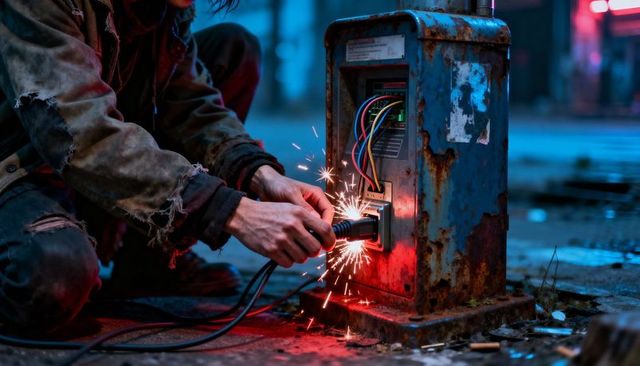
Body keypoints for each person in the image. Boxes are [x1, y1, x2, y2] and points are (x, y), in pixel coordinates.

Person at [0, 0, 336, 331]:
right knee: (53, 281)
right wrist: (230, 211)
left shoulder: (168, 9)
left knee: (233, 46)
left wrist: (261, 175)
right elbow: (78, 131)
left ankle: (150, 262)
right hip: (24, 168)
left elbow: (192, 105)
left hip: (102, 167)